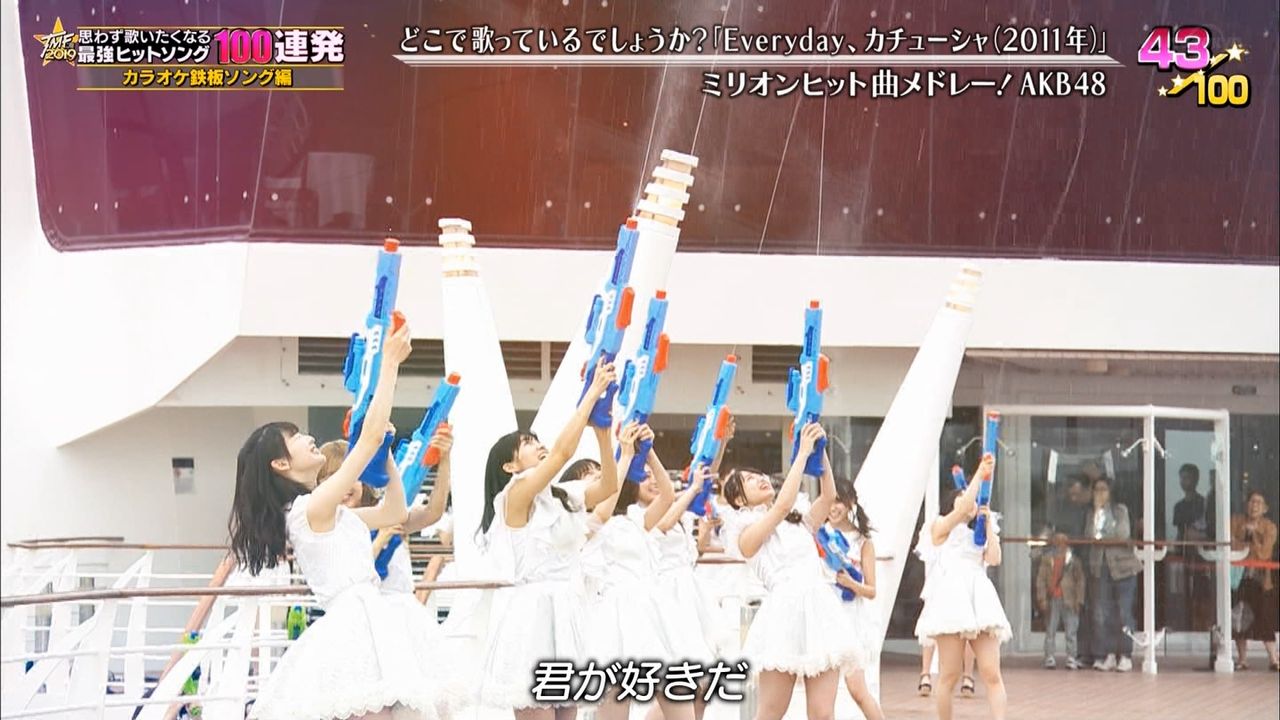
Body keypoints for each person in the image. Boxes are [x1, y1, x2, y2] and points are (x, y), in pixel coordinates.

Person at [229, 323, 459, 720]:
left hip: (370, 619)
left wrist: (387, 454)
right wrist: (389, 365)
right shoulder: (309, 509)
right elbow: (366, 441)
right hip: (354, 628)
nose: (307, 438)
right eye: (295, 437)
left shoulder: (325, 511)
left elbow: (394, 513)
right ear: (280, 463)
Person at [475, 359, 620, 719]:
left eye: (537, 440)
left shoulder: (561, 494)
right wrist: (591, 394)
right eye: (527, 443)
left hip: (567, 610)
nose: (538, 445)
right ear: (509, 466)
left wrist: (603, 434)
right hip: (532, 617)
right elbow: (562, 453)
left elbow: (608, 486)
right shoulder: (514, 495)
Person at [720, 424, 860, 720]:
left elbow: (828, 496)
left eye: (759, 474)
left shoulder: (799, 520)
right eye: (749, 480)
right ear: (739, 500)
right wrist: (802, 452)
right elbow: (781, 507)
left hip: (820, 610)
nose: (760, 479)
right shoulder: (745, 533)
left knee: (823, 714)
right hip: (783, 615)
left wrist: (820, 452)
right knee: (770, 712)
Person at [580, 423, 696, 720]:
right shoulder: (586, 525)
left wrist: (648, 451)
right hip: (614, 617)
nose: (603, 477)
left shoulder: (634, 519)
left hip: (651, 609)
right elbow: (603, 508)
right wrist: (625, 455)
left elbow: (667, 496)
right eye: (592, 476)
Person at [915, 455, 1010, 720]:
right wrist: (981, 473)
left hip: (979, 594)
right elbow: (963, 507)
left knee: (991, 672)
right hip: (951, 595)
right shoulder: (941, 525)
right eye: (962, 498)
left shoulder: (978, 530)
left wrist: (987, 523)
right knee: (949, 674)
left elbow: (994, 558)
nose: (967, 502)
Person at [820, 479, 885, 720]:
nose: (833, 508)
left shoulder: (863, 542)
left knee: (858, 690)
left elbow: (871, 590)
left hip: (850, 620)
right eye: (829, 501)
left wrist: (851, 584)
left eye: (838, 501)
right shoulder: (818, 534)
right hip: (823, 618)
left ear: (850, 503)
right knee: (823, 699)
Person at [371, 424, 455, 604]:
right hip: (365, 608)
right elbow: (349, 571)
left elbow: (433, 513)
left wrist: (444, 459)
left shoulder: (388, 511)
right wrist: (380, 540)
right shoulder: (336, 521)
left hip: (401, 606)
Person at [1083, 476, 1142, 673]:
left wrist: (1103, 537)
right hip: (1100, 567)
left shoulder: (1120, 510)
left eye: (1103, 489)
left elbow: (1122, 534)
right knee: (1102, 612)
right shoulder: (1091, 513)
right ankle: (1106, 654)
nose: (1099, 493)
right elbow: (1090, 535)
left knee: (1124, 612)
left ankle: (1125, 655)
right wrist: (1097, 513)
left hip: (1123, 568)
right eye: (1096, 490)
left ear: (1110, 492)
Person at [1230, 490, 1279, 671]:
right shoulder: (1236, 522)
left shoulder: (1269, 527)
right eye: (1252, 501)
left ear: (1265, 508)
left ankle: (1273, 659)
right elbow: (1230, 544)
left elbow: (1264, 553)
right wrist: (1244, 536)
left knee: (1265, 618)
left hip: (1261, 580)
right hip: (1239, 578)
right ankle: (1242, 659)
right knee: (1239, 617)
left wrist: (1253, 536)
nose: (1254, 506)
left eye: (1259, 502)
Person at [1035, 531, 1086, 670]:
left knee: (1071, 631)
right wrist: (1042, 598)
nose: (1059, 545)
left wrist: (1079, 600)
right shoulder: (1047, 560)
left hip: (1070, 599)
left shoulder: (1073, 561)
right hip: (1053, 598)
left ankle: (1071, 657)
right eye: (1057, 541)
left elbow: (1080, 581)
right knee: (1050, 630)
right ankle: (1049, 656)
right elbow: (1041, 580)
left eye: (1062, 542)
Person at [1172, 463, 1212, 631]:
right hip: (1183, 554)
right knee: (1182, 593)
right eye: (1182, 478)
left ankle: (1201, 627)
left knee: (1201, 594)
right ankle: (1185, 626)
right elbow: (1180, 531)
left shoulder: (1203, 503)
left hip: (1201, 556)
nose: (1184, 481)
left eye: (1187, 477)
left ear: (1196, 479)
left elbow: (1207, 530)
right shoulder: (1179, 506)